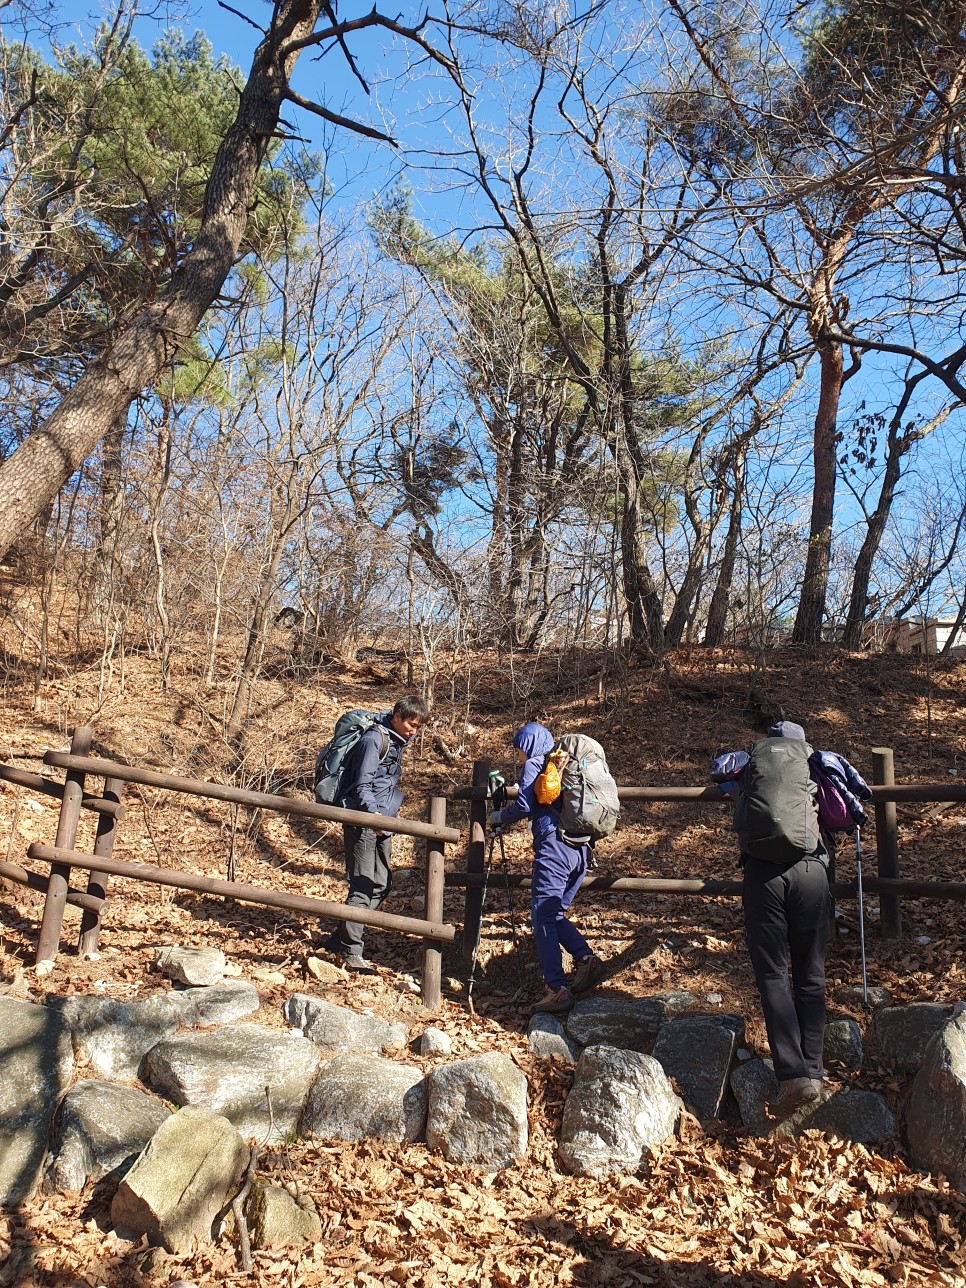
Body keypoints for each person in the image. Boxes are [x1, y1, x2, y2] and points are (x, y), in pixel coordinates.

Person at [713, 717, 833, 1119]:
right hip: (812, 870)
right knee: (811, 975)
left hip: (764, 874)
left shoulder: (750, 762)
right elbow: (846, 808)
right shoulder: (817, 762)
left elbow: (721, 776)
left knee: (773, 975)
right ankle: (813, 1071)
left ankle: (792, 1074)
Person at [489, 720, 604, 1014]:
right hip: (580, 850)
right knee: (554, 914)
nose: (518, 757)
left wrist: (499, 817)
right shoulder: (560, 764)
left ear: (528, 746)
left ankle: (556, 988)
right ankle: (585, 958)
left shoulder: (535, 765)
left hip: (554, 849)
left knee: (541, 916)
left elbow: (526, 806)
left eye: (519, 751)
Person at [326, 694, 428, 971]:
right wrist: (374, 815)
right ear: (396, 716)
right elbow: (362, 784)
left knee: (382, 884)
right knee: (362, 884)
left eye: (418, 727)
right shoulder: (375, 740)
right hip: (365, 820)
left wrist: (388, 816)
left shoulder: (396, 742)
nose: (413, 731)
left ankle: (344, 935)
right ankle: (351, 951)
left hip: (384, 822)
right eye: (410, 723)